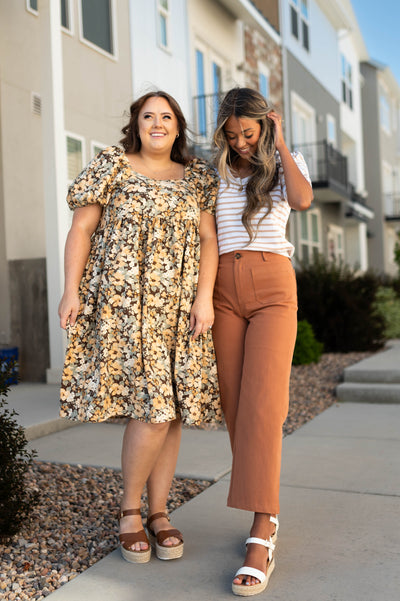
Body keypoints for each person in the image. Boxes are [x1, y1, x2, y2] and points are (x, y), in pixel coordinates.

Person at [58, 90, 221, 565]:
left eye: (166, 116)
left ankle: (159, 512)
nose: (157, 123)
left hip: (180, 310)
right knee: (151, 409)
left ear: (177, 127)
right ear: (136, 123)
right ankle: (130, 512)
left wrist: (204, 298)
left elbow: (209, 239)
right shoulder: (111, 164)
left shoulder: (198, 179)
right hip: (125, 306)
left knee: (169, 413)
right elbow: (81, 229)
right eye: (148, 115)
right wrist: (72, 290)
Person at [212, 87, 313, 596]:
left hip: (274, 286)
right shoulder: (217, 172)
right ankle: (263, 507)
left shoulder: (283, 165)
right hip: (223, 292)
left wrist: (282, 141)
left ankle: (262, 526)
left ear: (264, 126)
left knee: (263, 404)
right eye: (232, 135)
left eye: (248, 133)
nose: (241, 143)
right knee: (234, 405)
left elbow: (301, 199)